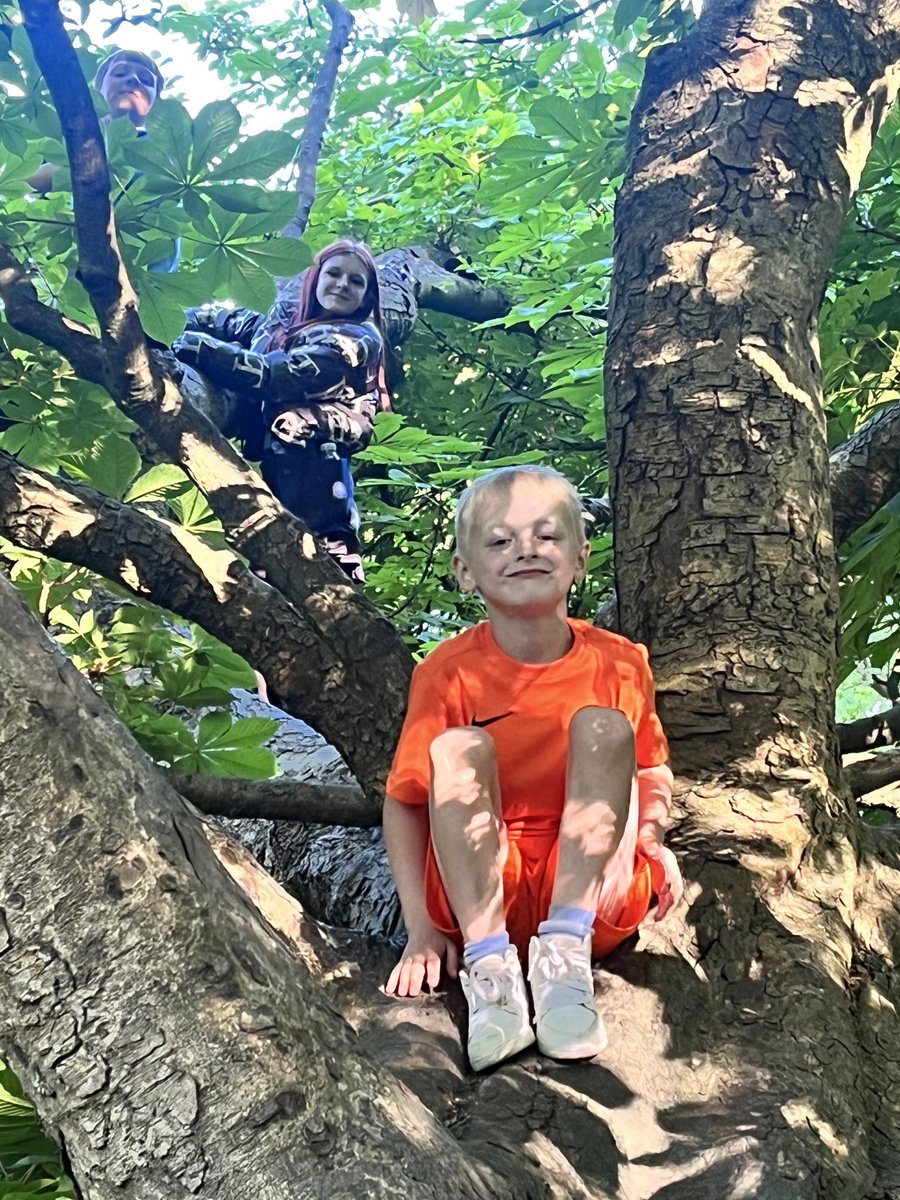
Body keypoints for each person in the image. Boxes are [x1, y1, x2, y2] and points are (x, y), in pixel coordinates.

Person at [382, 465, 683, 1072]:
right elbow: (406, 799)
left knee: (604, 727)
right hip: (482, 896)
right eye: (499, 541)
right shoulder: (448, 673)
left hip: (594, 894)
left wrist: (650, 834)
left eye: (546, 536)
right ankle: (493, 976)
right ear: (466, 572)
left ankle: (564, 966)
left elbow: (650, 769)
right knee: (455, 749)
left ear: (580, 558)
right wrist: (420, 927)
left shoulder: (620, 664)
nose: (525, 550)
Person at [172, 239, 389, 583]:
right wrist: (162, 323)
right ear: (316, 278)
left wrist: (197, 347)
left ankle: (337, 568)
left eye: (356, 281)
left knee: (325, 575)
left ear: (367, 296)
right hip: (272, 487)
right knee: (273, 575)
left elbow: (279, 376)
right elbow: (222, 319)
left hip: (321, 494)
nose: (343, 284)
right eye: (334, 273)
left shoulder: (356, 340)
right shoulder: (280, 326)